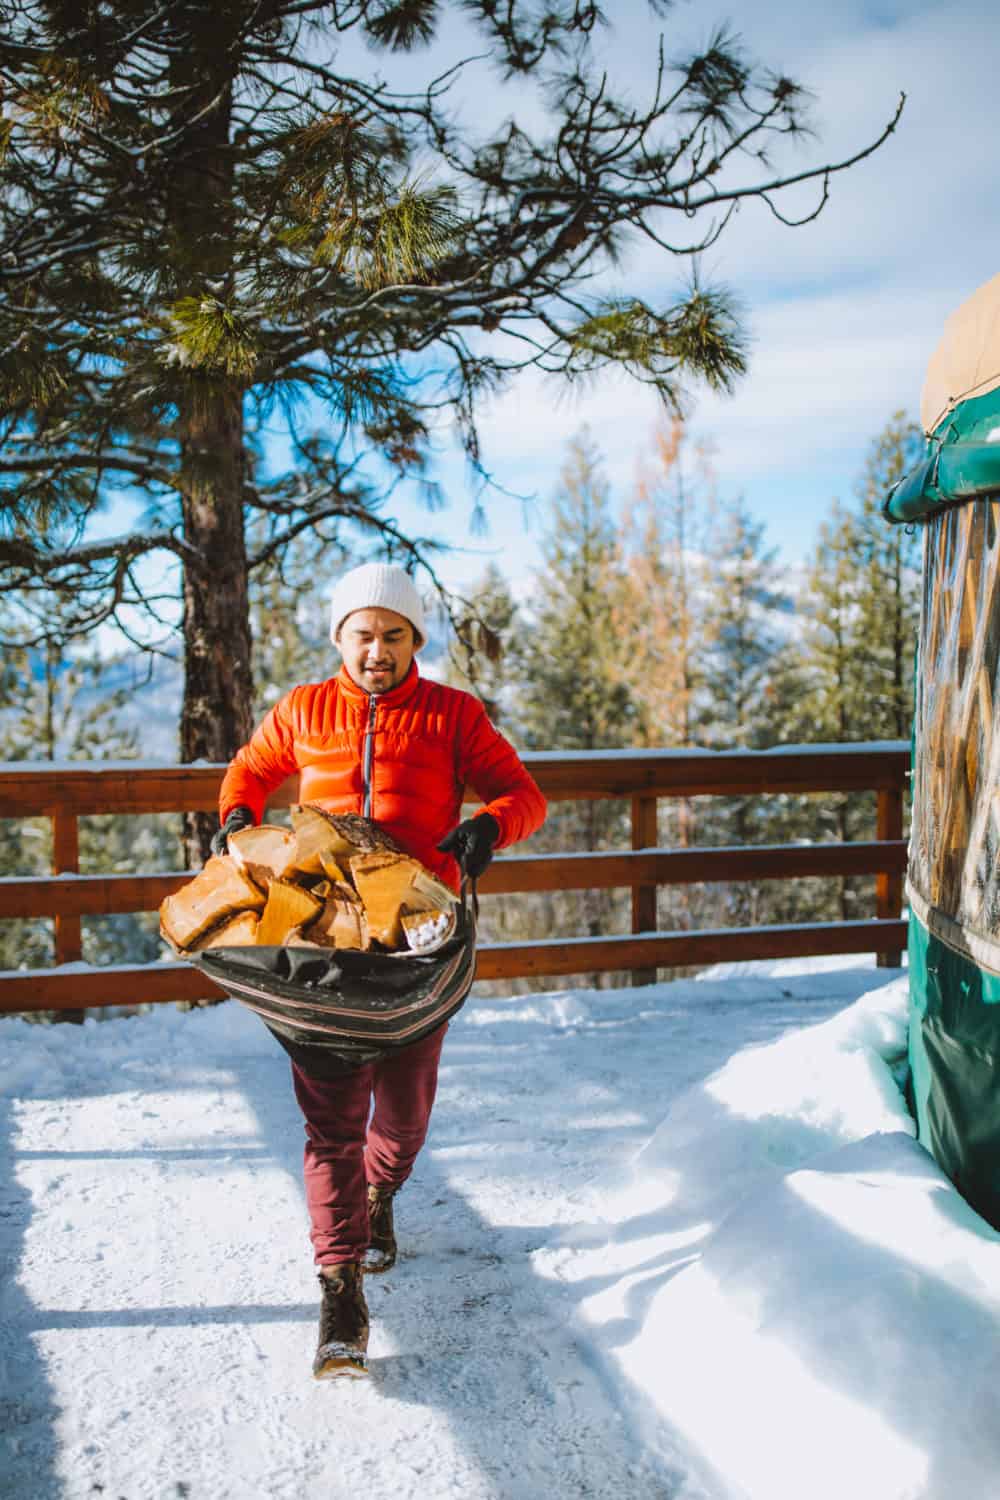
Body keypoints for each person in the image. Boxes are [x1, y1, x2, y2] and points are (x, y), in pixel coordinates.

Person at [212, 561, 547, 1379]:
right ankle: (340, 1289)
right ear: (340, 639)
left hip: (414, 944)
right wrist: (236, 816)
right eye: (362, 634)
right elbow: (252, 769)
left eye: (393, 635)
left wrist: (487, 828)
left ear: (414, 641)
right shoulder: (304, 708)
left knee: (401, 1117)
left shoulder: (451, 715)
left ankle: (380, 1190)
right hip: (324, 942)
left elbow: (523, 792)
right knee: (330, 1120)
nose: (377, 650)